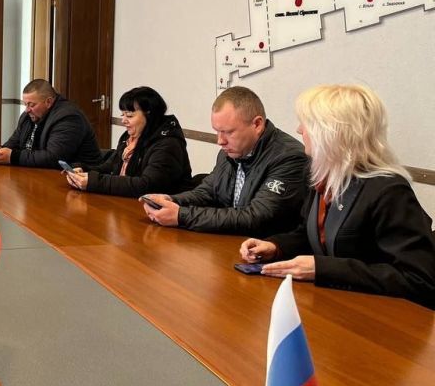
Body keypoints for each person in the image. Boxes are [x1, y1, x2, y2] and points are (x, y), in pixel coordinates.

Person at [239, 84, 435, 308]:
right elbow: (310, 234)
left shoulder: (389, 191)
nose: (299, 130)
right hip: (334, 305)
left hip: (378, 316)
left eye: (306, 123)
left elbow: (419, 279)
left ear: (331, 132)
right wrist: (276, 246)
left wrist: (322, 269)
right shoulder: (323, 177)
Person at [142, 86, 309, 235]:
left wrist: (181, 216)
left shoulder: (289, 157)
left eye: (228, 132)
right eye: (217, 131)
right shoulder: (229, 152)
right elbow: (208, 192)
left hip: (268, 250)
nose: (220, 141)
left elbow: (257, 217)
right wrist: (170, 200)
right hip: (231, 243)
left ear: (257, 124)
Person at [65, 86, 192, 197]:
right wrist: (84, 170)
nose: (123, 121)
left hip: (156, 209)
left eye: (129, 116)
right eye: (123, 115)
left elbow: (147, 185)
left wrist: (94, 182)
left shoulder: (168, 144)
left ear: (149, 114)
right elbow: (111, 167)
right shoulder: (130, 136)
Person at [0, 79, 104, 168]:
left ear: (48, 102)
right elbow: (14, 142)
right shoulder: (28, 116)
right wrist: (0, 151)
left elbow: (54, 158)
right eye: (25, 104)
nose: (27, 110)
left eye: (31, 105)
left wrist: (13, 156)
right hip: (42, 174)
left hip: (80, 179)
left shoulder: (68, 118)